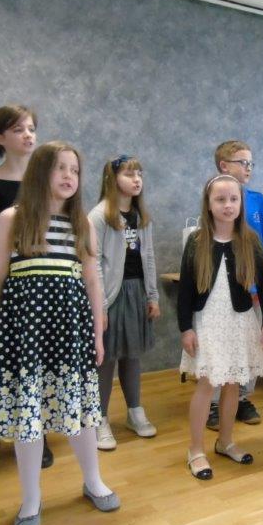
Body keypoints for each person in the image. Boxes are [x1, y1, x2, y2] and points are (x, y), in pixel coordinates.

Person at [0, 141, 119, 525]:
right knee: (28, 416)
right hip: (24, 335)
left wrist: (98, 333)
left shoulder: (82, 225)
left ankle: (93, 481)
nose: (68, 176)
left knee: (80, 411)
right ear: (40, 172)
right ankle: (31, 498)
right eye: (60, 168)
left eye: (74, 170)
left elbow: (92, 281)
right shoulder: (12, 219)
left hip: (71, 333)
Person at [0, 104, 54, 481]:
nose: (28, 135)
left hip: (46, 287)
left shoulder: (46, 182)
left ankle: (36, 435)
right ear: (0, 137)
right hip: (11, 291)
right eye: (19, 129)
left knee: (41, 366)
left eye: (31, 128)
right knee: (9, 368)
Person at [178, 175, 263, 480]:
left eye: (233, 199)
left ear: (241, 203)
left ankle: (226, 440)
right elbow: (185, 290)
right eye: (220, 199)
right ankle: (196, 450)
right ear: (208, 204)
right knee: (207, 383)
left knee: (233, 382)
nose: (228, 205)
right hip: (208, 320)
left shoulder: (250, 240)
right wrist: (185, 328)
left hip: (240, 319)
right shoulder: (197, 241)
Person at [88, 155, 160, 449]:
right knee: (105, 359)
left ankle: (134, 411)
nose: (137, 179)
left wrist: (152, 295)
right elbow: (93, 263)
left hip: (136, 292)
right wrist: (101, 306)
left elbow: (149, 256)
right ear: (112, 178)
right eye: (129, 174)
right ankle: (100, 418)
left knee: (132, 355)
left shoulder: (142, 217)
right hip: (110, 296)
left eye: (139, 173)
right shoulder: (99, 216)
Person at [206, 140, 263, 429]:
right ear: (224, 166)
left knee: (251, 345)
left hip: (256, 289)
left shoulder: (257, 199)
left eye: (251, 163)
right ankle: (214, 402)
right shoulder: (215, 198)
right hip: (226, 290)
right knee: (222, 346)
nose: (249, 168)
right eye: (243, 162)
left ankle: (243, 398)